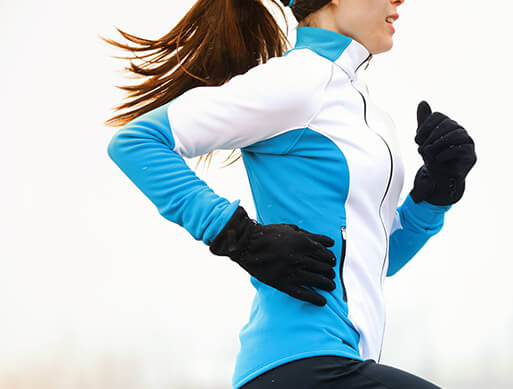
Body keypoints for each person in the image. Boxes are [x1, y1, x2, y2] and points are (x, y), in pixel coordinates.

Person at [104, 0, 477, 387]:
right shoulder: (296, 81)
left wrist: (434, 194)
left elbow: (368, 263)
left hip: (334, 365)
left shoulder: (364, 109)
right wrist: (239, 236)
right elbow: (137, 141)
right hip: (299, 366)